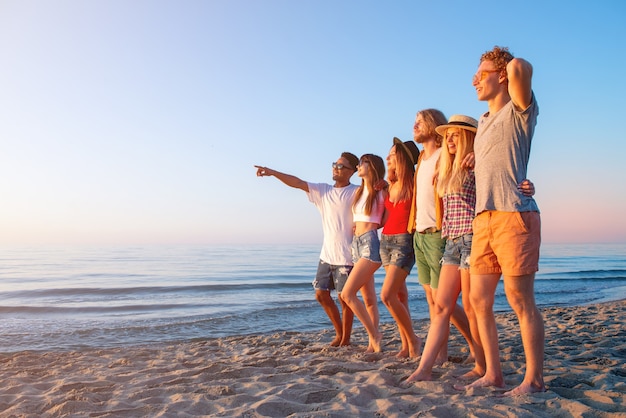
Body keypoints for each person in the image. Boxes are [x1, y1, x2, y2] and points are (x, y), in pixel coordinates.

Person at [464, 46, 544, 396]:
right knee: (478, 301)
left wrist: (500, 63)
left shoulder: (519, 110)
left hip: (515, 214)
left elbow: (521, 66)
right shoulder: (482, 122)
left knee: (519, 298)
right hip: (483, 217)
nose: (476, 80)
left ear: (501, 75)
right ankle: (494, 373)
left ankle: (534, 380)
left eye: (482, 73)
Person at [254, 152, 359, 347]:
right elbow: (297, 182)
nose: (335, 168)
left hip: (347, 256)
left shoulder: (357, 191)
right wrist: (271, 172)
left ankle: (345, 339)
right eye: (334, 164)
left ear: (352, 171)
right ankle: (339, 333)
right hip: (326, 255)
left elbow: (377, 203)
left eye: (341, 166)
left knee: (345, 300)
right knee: (320, 294)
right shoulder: (323, 191)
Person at [407, 109, 475, 365]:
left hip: (442, 234)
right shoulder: (423, 161)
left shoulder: (442, 158)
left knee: (443, 302)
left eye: (420, 121)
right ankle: (443, 354)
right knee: (432, 300)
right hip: (421, 234)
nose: (414, 125)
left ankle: (472, 346)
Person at [379, 138, 422, 358]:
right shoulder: (390, 185)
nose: (387, 158)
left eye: (392, 154)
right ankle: (405, 345)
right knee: (399, 295)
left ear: (402, 158)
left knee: (387, 295)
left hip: (404, 241)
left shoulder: (415, 183)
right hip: (385, 241)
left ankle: (414, 340)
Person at [340, 154, 386, 353]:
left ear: (373, 166)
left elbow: (386, 219)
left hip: (369, 243)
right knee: (368, 299)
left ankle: (375, 335)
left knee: (347, 294)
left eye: (362, 163)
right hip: (356, 244)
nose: (358, 166)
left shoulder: (382, 190)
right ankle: (372, 343)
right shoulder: (359, 192)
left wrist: (370, 228)